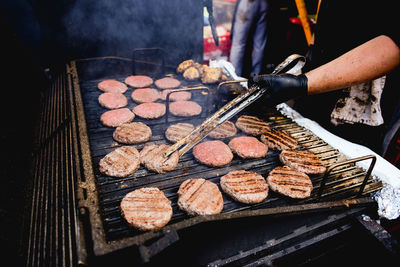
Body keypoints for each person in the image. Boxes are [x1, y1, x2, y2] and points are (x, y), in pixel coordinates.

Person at [248, 1, 400, 156]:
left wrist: (302, 83)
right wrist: (310, 57)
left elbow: (395, 41)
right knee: (299, 143)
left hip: (355, 103)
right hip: (315, 79)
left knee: (338, 159)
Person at [229, 0, 269, 77]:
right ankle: (257, 78)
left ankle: (234, 78)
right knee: (259, 46)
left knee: (238, 45)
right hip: (264, 3)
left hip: (248, 3)